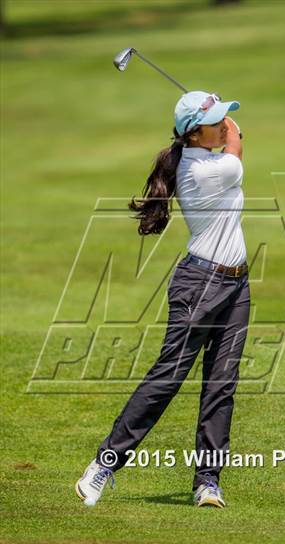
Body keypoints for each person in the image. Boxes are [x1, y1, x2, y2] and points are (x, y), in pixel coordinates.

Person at [75, 91, 250, 508]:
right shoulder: (205, 171)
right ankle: (103, 464)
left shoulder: (201, 156)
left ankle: (208, 482)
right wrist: (236, 129)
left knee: (221, 385)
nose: (225, 123)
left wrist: (220, 117)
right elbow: (237, 147)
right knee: (167, 379)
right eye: (217, 119)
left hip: (237, 284)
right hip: (201, 285)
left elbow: (226, 136)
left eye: (224, 118)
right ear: (194, 134)